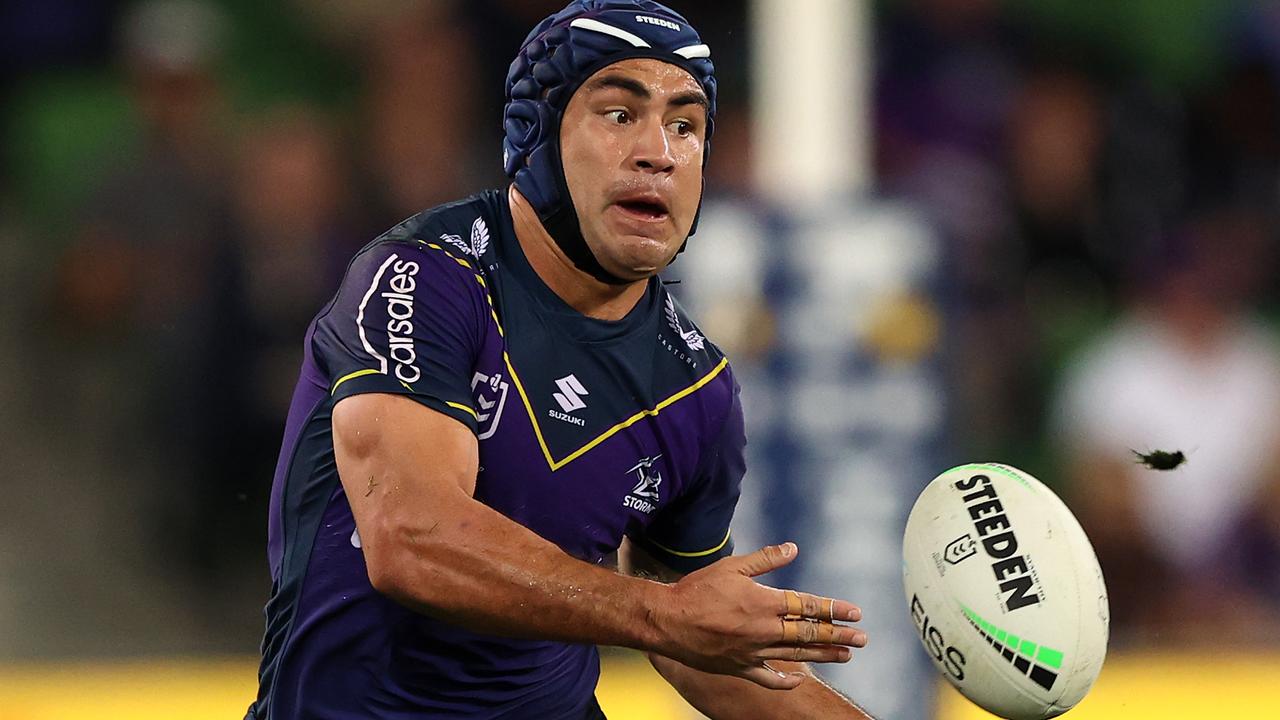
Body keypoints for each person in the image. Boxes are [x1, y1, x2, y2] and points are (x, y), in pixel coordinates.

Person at [247, 2, 873, 718]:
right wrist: (661, 616)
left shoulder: (696, 390)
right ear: (534, 135)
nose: (659, 154)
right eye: (618, 115)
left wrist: (679, 621)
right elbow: (412, 538)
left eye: (685, 125)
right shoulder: (426, 279)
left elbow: (698, 638)